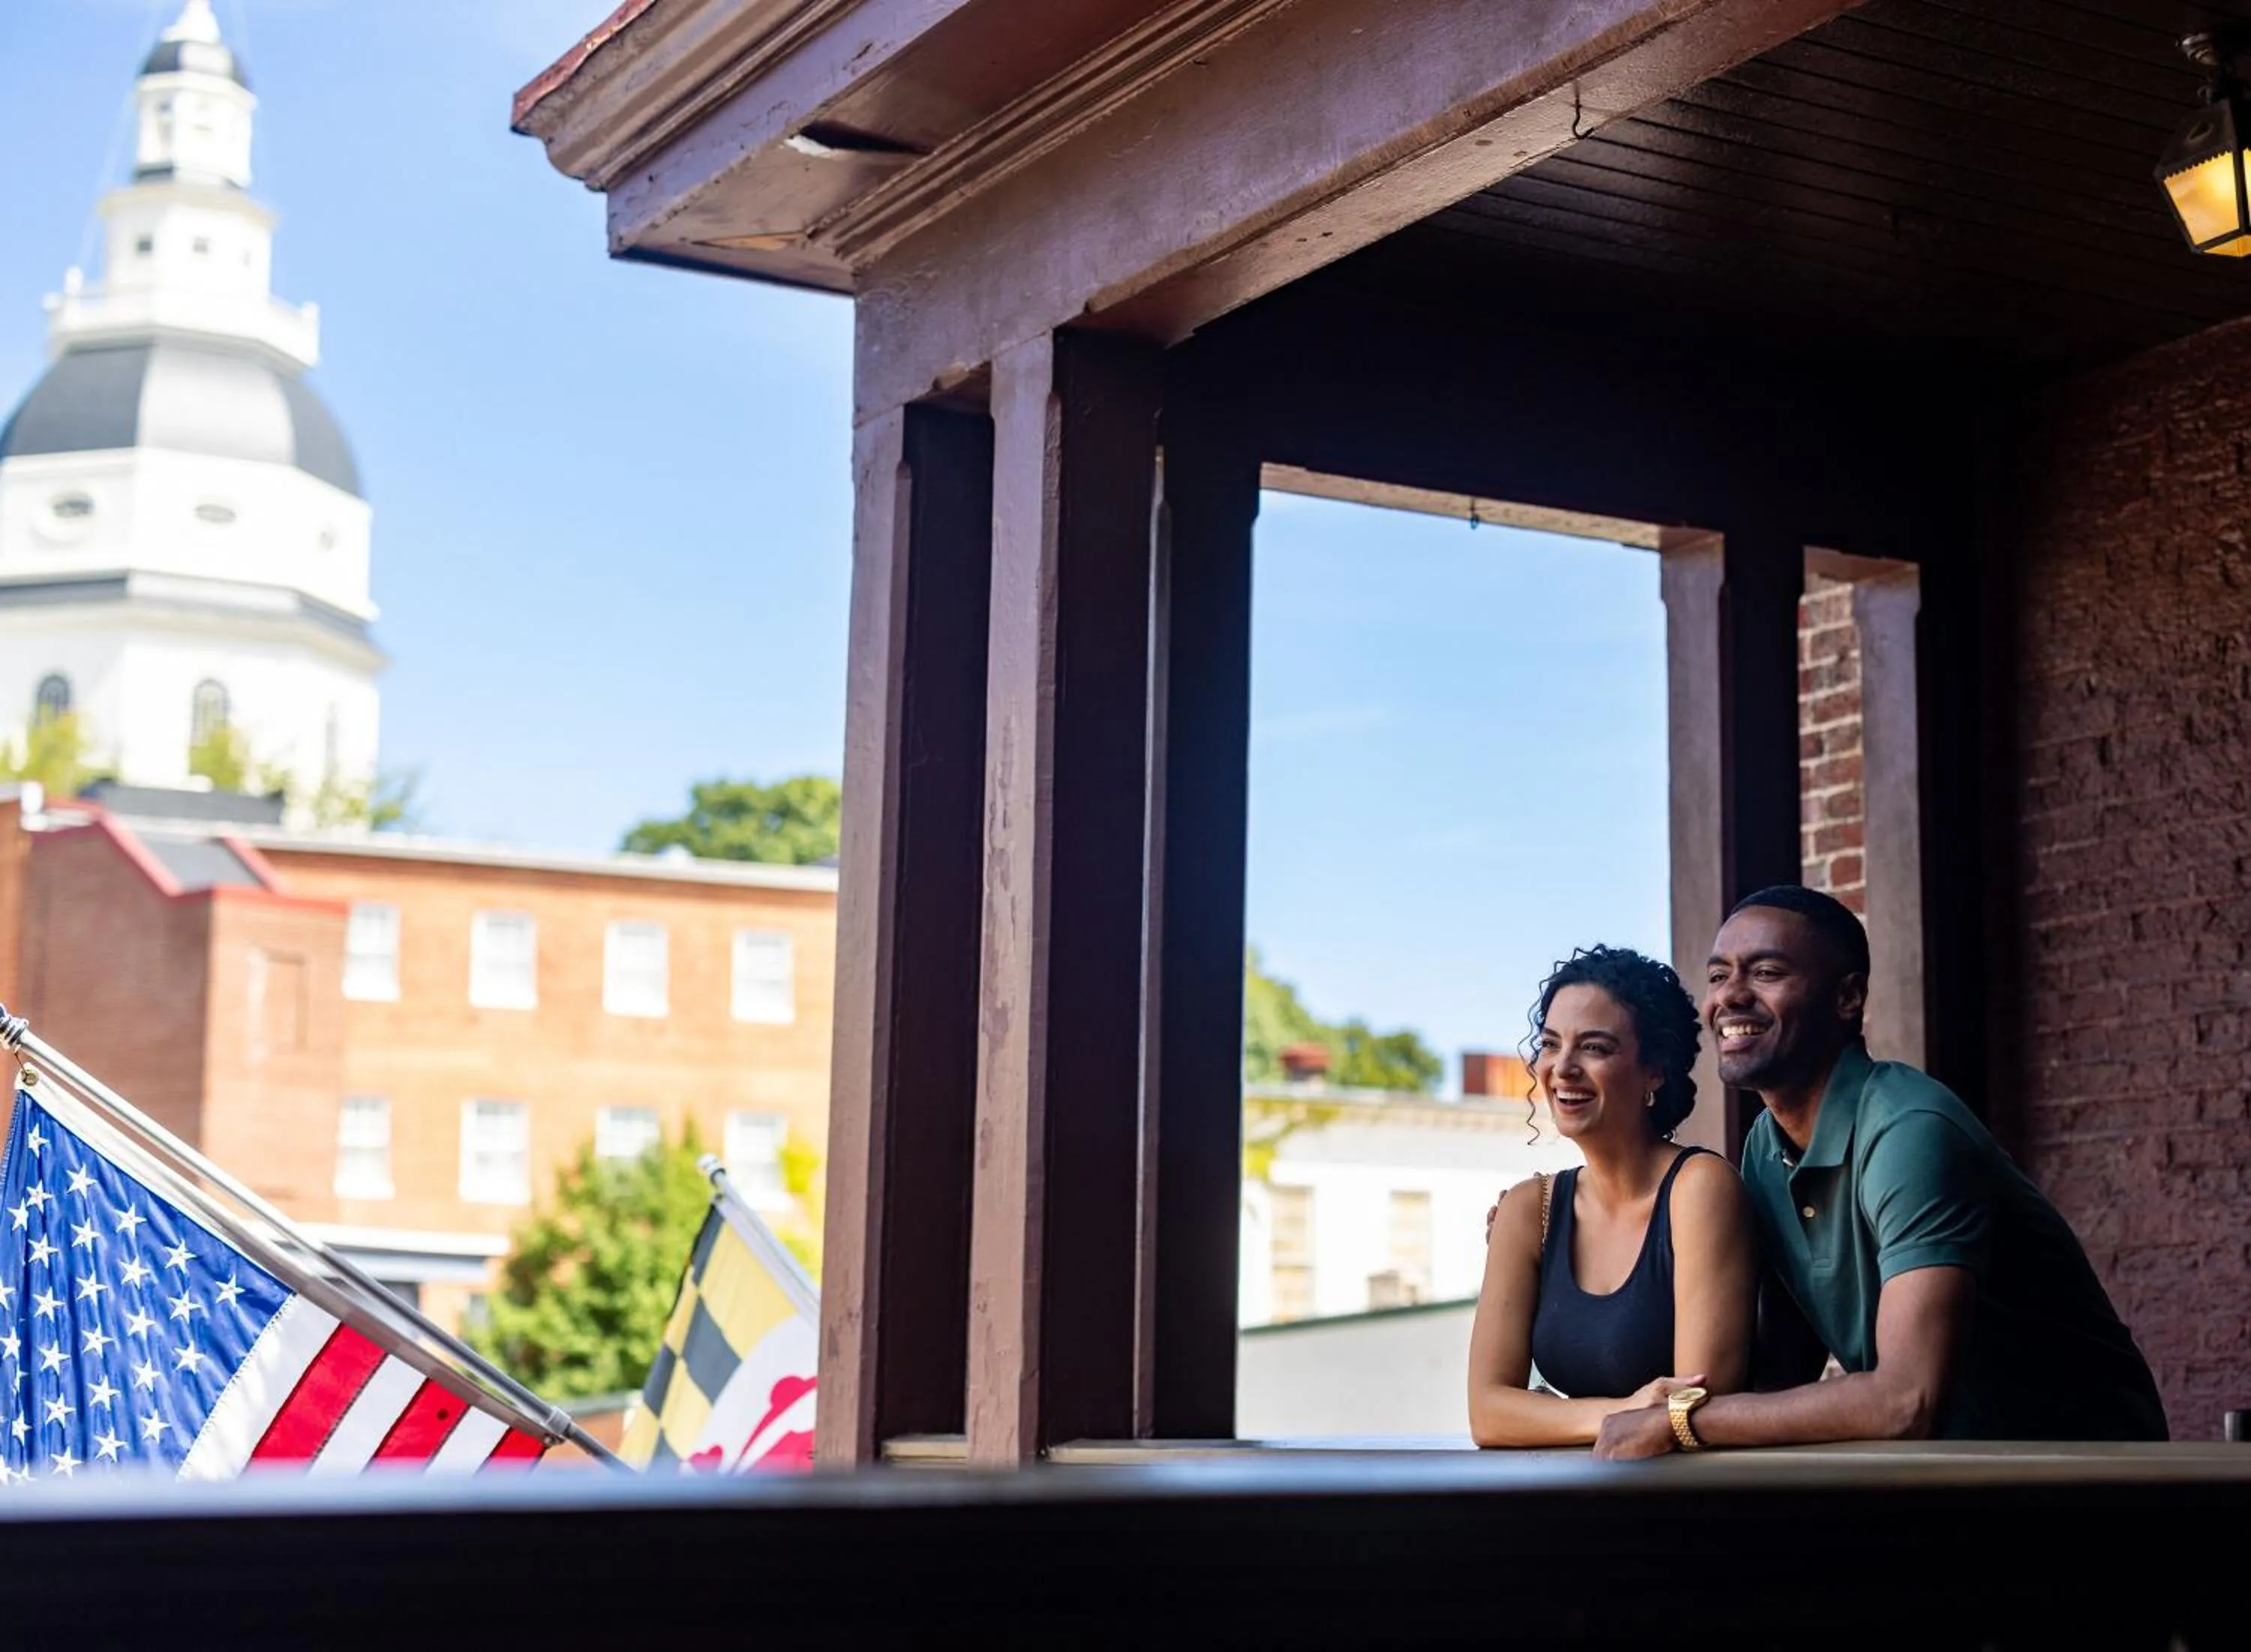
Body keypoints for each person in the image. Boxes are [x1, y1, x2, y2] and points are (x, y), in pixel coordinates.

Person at [1594, 886, 2168, 1458]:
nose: (1731, 997)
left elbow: (1906, 1402)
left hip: (2092, 1475)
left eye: (1766, 972)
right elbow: (1779, 1374)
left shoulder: (1910, 1131)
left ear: (1848, 997)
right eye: (1719, 976)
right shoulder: (1766, 1149)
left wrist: (1683, 1423)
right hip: (1951, 1473)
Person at [1468, 945, 1757, 1446]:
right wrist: (1624, 1411)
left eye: (1595, 1048)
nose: (1562, 1067)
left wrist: (1547, 1416)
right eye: (1551, 1044)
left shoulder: (1699, 1189)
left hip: (1690, 1505)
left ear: (1655, 1071)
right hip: (1577, 1499)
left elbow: (1696, 1405)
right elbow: (1487, 1415)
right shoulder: (1526, 1209)